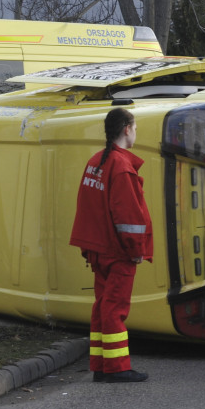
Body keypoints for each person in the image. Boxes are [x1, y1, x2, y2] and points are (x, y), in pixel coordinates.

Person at [70, 107, 153, 383]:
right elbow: (128, 217)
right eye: (135, 127)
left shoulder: (96, 161)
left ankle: (101, 365)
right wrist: (136, 250)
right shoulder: (122, 167)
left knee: (102, 305)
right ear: (126, 129)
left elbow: (89, 207)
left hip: (98, 248)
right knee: (115, 307)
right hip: (118, 252)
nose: (136, 132)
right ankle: (117, 368)